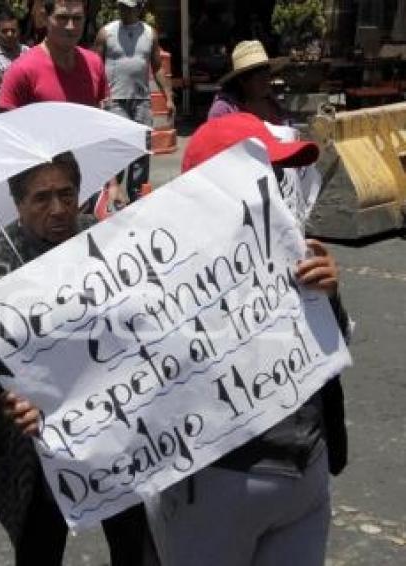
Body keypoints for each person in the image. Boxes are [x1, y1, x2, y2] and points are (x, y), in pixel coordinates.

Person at [153, 112, 350, 566]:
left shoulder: (295, 248)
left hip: (306, 471)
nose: (279, 185)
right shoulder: (163, 274)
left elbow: (333, 350)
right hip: (215, 485)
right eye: (263, 172)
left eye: (278, 173)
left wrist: (330, 297)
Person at [0, 152, 154, 566]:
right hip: (35, 445)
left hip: (112, 428)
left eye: (67, 194)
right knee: (40, 547)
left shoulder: (102, 239)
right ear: (18, 203)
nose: (59, 209)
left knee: (137, 545)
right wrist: (34, 333)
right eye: (42, 198)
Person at [0, 0, 126, 209]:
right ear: (45, 19)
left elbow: (101, 131)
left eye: (77, 19)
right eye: (62, 18)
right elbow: (7, 138)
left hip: (88, 185)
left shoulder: (93, 64)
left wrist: (112, 184)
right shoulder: (22, 71)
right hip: (42, 192)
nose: (70, 26)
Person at [95, 0, 175, 203]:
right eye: (122, 6)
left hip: (141, 101)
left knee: (141, 149)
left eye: (129, 7)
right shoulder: (106, 33)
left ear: (139, 8)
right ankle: (112, 195)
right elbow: (95, 66)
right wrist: (94, 98)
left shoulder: (149, 34)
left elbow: (157, 66)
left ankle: (137, 195)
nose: (124, 10)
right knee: (119, 148)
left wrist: (169, 97)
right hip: (114, 101)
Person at [208, 40, 287, 125]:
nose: (266, 81)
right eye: (259, 78)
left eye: (267, 76)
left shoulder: (273, 105)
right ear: (242, 80)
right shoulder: (224, 110)